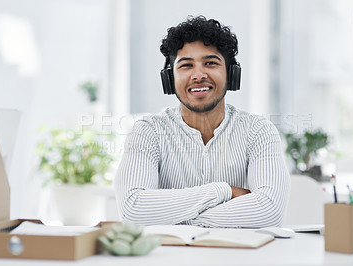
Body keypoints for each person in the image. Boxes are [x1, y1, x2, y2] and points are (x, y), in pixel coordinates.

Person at [115, 16, 290, 228]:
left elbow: (269, 212)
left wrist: (177, 219)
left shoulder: (258, 131)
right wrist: (223, 190)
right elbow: (134, 211)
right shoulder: (148, 132)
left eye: (210, 63)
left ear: (231, 73)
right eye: (186, 65)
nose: (198, 75)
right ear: (170, 79)